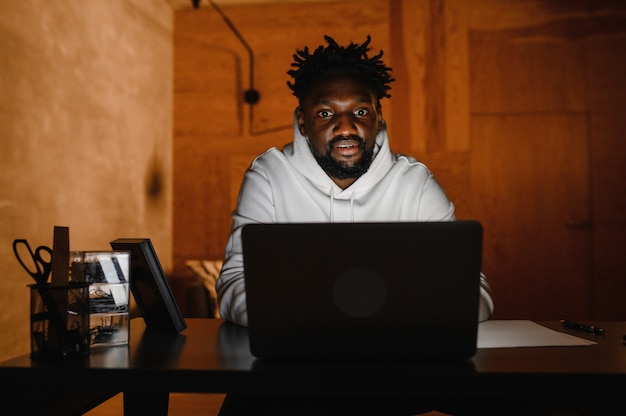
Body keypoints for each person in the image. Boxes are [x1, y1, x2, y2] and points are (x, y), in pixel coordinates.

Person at [215, 35, 494, 415]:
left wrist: (402, 325)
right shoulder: (268, 176)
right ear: (302, 121)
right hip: (295, 367)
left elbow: (473, 289)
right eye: (326, 113)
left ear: (378, 118)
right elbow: (233, 282)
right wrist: (307, 329)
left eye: (360, 112)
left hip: (399, 370)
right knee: (246, 401)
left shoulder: (414, 182)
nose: (346, 127)